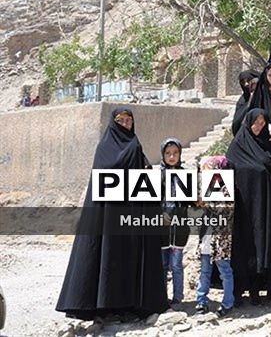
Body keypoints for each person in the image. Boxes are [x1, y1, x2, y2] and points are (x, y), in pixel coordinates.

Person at [56, 108, 169, 320]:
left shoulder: (135, 145)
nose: (126, 124)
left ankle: (129, 305)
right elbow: (105, 174)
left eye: (129, 120)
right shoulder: (104, 148)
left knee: (128, 259)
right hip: (107, 215)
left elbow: (141, 175)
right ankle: (104, 307)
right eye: (121, 120)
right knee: (106, 258)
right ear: (113, 122)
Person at [226, 107, 271, 304]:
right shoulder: (236, 148)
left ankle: (257, 288)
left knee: (261, 243)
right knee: (242, 246)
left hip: (263, 207)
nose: (258, 126)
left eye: (262, 123)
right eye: (255, 122)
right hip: (242, 208)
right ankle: (239, 289)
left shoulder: (267, 146)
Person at [195, 156, 235, 316]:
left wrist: (206, 202)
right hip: (206, 235)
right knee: (204, 270)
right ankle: (201, 302)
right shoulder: (203, 186)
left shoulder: (225, 187)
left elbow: (225, 208)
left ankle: (227, 303)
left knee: (224, 270)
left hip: (221, 237)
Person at [159, 138, 190, 307]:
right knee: (163, 265)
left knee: (177, 264)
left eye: (175, 153)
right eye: (168, 153)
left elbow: (191, 199)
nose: (172, 157)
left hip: (180, 226)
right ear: (163, 155)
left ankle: (178, 297)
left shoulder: (185, 175)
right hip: (162, 227)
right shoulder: (157, 176)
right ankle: (162, 297)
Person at [231, 70, 259, 135]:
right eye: (243, 82)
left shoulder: (267, 97)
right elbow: (236, 123)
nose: (246, 84)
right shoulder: (242, 101)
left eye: (248, 80)